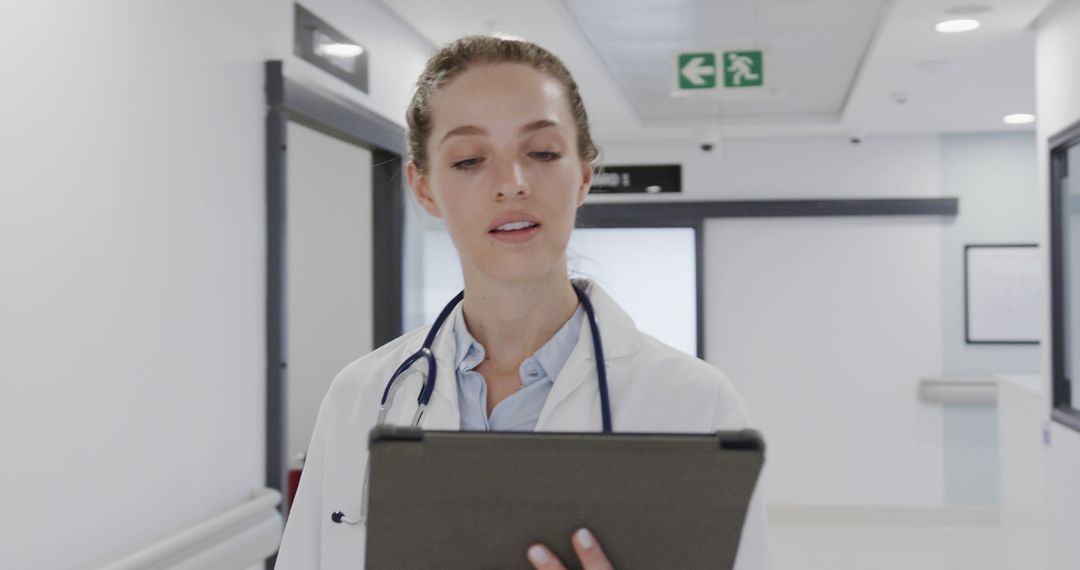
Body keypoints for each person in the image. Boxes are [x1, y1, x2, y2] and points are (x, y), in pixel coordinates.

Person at [275, 35, 768, 569]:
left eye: (542, 153)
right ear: (424, 189)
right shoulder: (359, 397)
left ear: (582, 175)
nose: (512, 184)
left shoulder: (696, 407)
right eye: (468, 160)